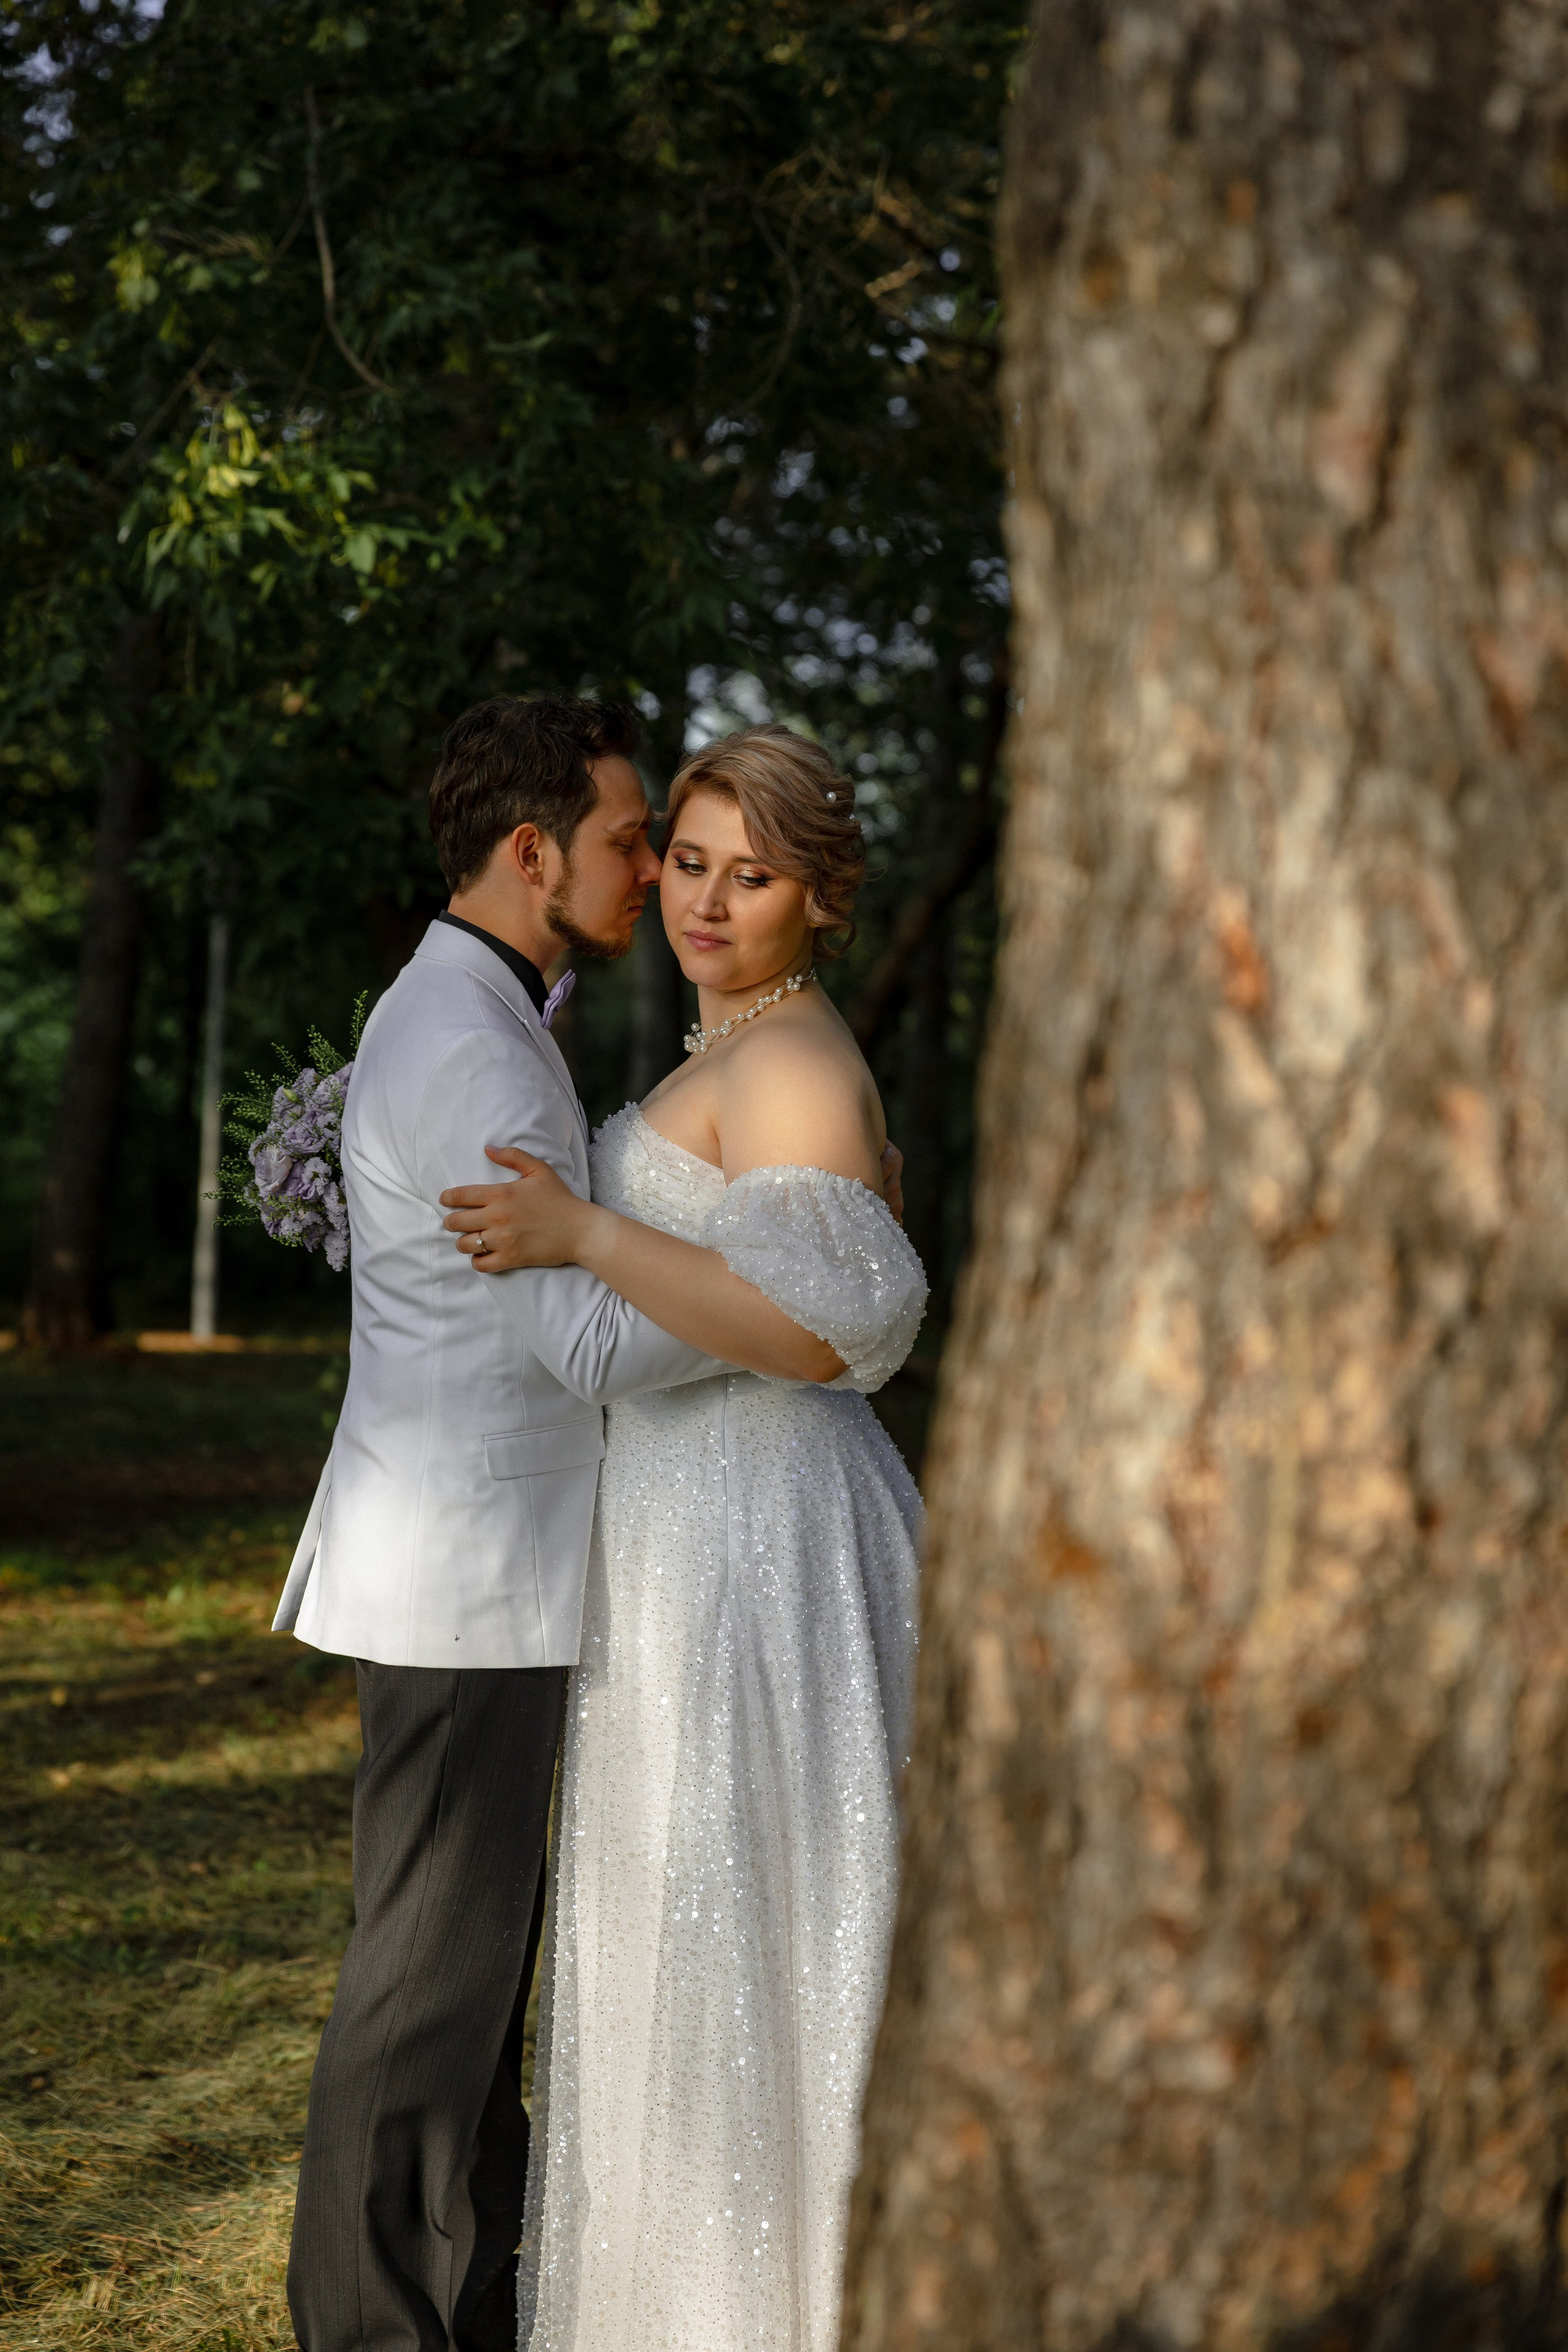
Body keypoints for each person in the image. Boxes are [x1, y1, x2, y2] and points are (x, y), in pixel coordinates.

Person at [274, 696, 904, 2352]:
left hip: (719, 1536)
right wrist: (634, 1266)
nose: (685, 895)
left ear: (816, 896)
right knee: (440, 1991)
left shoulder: (577, 1031)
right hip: (492, 1571)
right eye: (664, 853)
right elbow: (579, 1338)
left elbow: (824, 1317)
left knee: (529, 1974)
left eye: (735, 873)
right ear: (537, 850)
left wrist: (609, 1244)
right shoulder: (492, 1037)